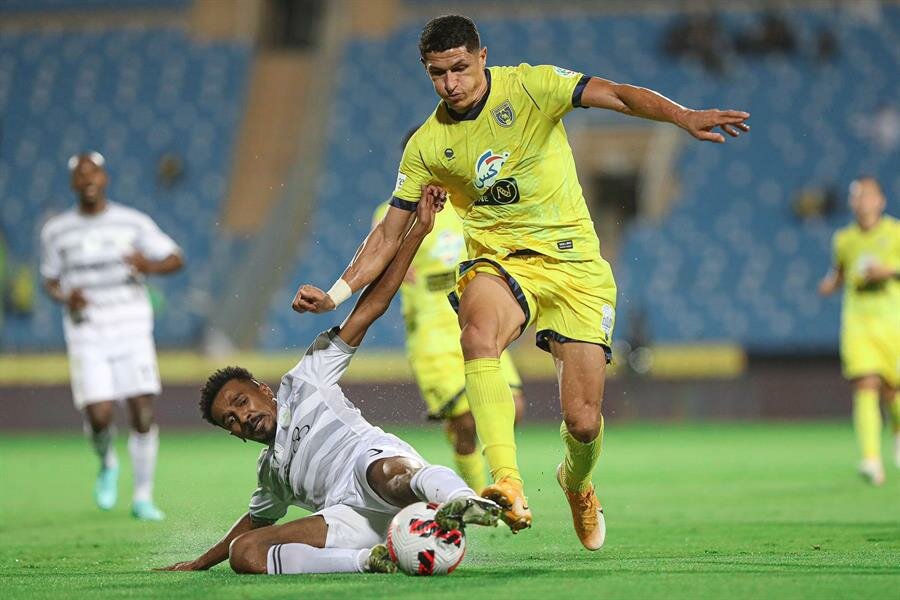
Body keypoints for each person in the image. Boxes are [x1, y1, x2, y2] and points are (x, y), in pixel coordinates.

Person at [291, 15, 750, 549]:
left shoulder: (531, 86)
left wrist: (681, 116)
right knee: (477, 331)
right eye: (438, 74)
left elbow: (618, 96)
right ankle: (506, 482)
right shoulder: (426, 145)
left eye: (460, 68)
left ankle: (575, 481)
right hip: (502, 260)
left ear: (482, 56)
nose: (451, 84)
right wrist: (336, 293)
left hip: (576, 266)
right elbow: (389, 232)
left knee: (582, 422)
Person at [159, 190, 500, 575]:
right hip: (349, 518)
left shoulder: (305, 379)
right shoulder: (271, 473)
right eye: (230, 421)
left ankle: (462, 499)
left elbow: (370, 307)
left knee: (386, 475)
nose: (242, 418)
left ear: (264, 390)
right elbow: (254, 523)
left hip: (371, 463)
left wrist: (418, 232)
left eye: (241, 402)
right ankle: (368, 561)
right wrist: (200, 563)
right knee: (246, 553)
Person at [371, 130, 525, 492]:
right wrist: (388, 265)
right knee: (467, 421)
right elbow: (378, 255)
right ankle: (475, 494)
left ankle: (494, 479)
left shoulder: (469, 204)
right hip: (432, 332)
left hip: (477, 321)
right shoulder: (393, 213)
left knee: (513, 407)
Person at [40, 152, 183, 520]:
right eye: (80, 175)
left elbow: (175, 258)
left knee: (142, 408)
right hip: (88, 331)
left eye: (94, 173)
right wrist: (64, 295)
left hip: (132, 328)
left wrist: (147, 264)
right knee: (100, 415)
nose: (88, 179)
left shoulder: (131, 222)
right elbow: (50, 280)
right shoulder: (56, 231)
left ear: (105, 178)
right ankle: (106, 462)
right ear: (73, 183)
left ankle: (142, 496)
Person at [818, 177, 900, 486]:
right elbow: (838, 272)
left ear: (880, 201)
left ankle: (897, 432)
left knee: (892, 389)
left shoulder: (896, 233)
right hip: (858, 323)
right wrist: (830, 284)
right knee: (865, 384)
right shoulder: (843, 239)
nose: (862, 202)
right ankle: (870, 458)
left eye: (867, 196)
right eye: (857, 197)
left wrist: (888, 271)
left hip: (893, 323)